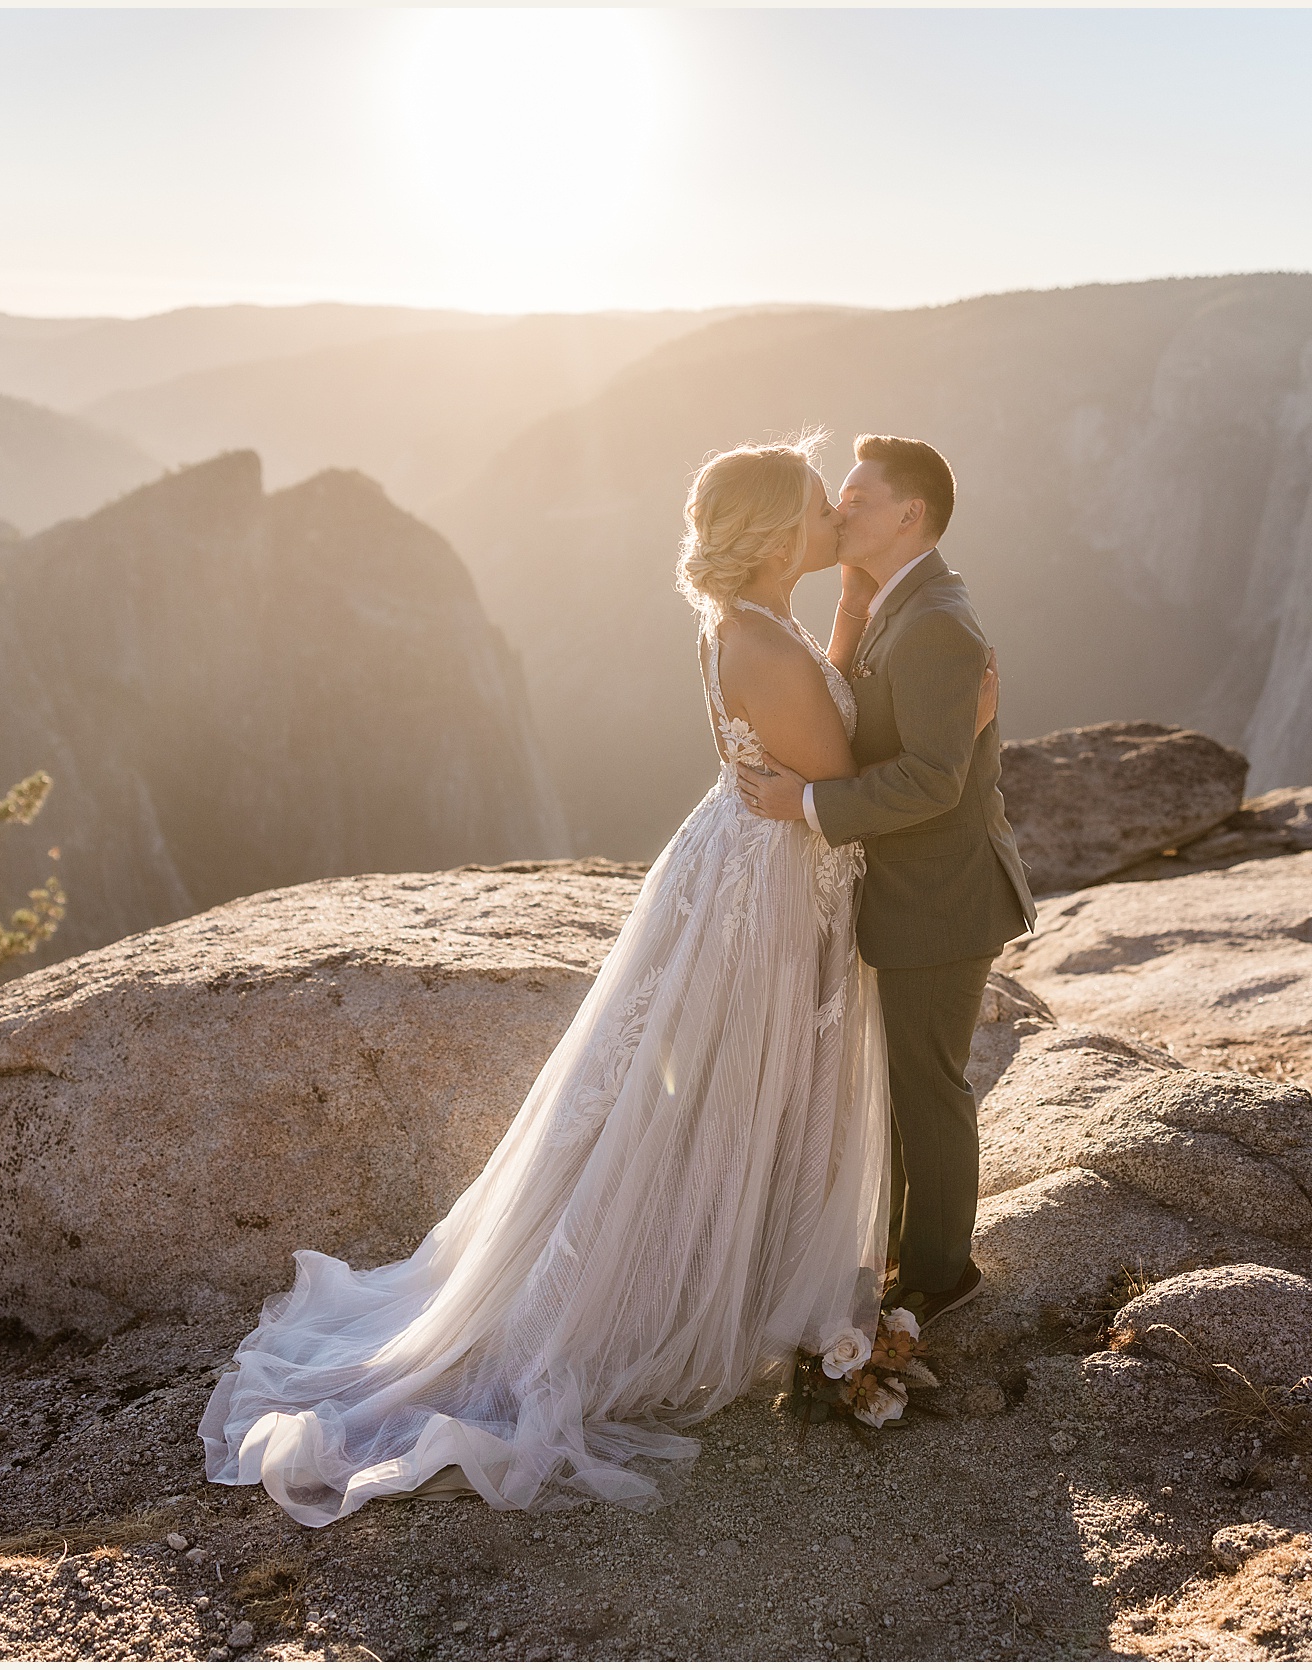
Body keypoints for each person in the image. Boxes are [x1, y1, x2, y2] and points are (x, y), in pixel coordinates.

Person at [197, 434, 998, 1526]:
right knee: (737, 1080)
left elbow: (823, 727)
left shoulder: (756, 621)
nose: (834, 521)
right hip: (771, 883)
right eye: (820, 509)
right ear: (773, 536)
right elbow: (844, 777)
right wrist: (966, 726)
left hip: (757, 862)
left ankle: (755, 1253)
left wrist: (852, 609)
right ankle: (703, 1277)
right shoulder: (760, 640)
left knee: (740, 1080)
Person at [736, 433, 1036, 1329]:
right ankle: (911, 1248)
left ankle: (943, 1277)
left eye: (856, 499)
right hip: (910, 891)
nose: (837, 512)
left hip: (944, 898)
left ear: (911, 515)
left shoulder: (938, 619)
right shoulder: (898, 602)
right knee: (908, 1079)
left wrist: (811, 802)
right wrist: (851, 617)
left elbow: (934, 780)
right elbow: (876, 722)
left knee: (928, 1086)